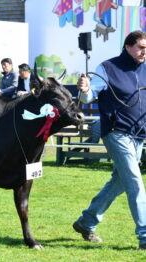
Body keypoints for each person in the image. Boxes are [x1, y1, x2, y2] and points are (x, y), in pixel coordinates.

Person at [73, 30, 146, 249]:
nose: (145, 51)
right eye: (141, 47)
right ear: (128, 46)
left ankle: (87, 221)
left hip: (139, 135)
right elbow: (89, 95)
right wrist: (84, 91)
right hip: (115, 132)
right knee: (134, 182)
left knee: (120, 182)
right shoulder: (107, 67)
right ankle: (144, 235)